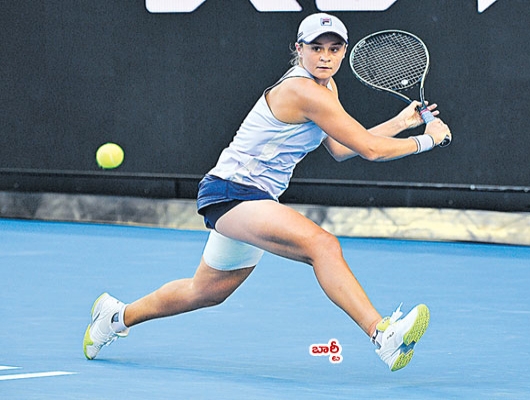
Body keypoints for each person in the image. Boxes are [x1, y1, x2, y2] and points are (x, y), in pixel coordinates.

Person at [83, 12, 452, 372]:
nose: (325, 56)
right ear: (299, 49)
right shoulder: (302, 90)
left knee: (206, 291)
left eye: (334, 48)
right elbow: (370, 150)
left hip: (252, 200)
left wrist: (402, 123)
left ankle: (114, 316)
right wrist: (426, 140)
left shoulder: (326, 89)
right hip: (233, 192)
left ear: (343, 52)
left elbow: (341, 149)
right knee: (321, 245)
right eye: (316, 47)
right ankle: (382, 334)